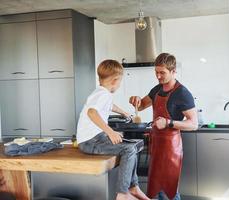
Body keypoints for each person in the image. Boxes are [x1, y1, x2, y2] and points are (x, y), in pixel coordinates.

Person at [77, 59, 149, 200]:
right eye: (120, 81)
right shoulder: (103, 94)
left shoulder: (102, 93)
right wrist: (110, 131)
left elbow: (110, 106)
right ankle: (123, 194)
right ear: (115, 80)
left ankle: (133, 187)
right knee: (128, 149)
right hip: (90, 142)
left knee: (132, 145)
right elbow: (92, 112)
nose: (120, 84)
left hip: (94, 140)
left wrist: (124, 112)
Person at [129, 53, 198, 200]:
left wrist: (169, 123)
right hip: (157, 145)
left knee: (170, 190)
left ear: (173, 72)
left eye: (162, 73)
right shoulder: (157, 89)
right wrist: (135, 100)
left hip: (171, 148)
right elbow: (141, 106)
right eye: (156, 72)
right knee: (156, 189)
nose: (158, 76)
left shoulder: (183, 93)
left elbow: (193, 124)